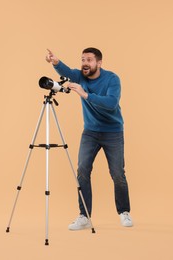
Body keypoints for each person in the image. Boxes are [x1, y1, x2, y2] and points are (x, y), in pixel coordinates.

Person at [45, 48, 133, 230]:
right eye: (83, 59)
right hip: (90, 132)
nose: (85, 63)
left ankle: (124, 212)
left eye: (89, 60)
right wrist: (55, 62)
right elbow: (67, 72)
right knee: (82, 170)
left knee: (117, 173)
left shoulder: (112, 79)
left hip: (113, 132)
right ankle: (84, 215)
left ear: (99, 63)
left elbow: (111, 103)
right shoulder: (80, 76)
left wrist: (85, 94)